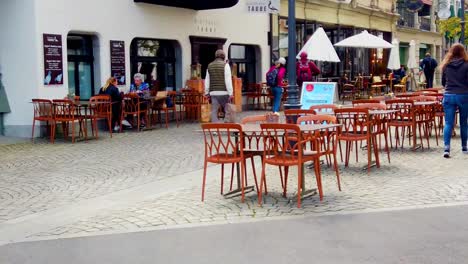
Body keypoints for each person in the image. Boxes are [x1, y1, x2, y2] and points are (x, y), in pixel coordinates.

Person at [440, 43, 468, 158]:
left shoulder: (446, 65)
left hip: (449, 95)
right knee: (464, 123)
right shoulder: (467, 65)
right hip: (463, 95)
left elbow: (443, 82)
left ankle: (446, 149)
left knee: (448, 123)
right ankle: (464, 147)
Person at [204, 49, 233, 123]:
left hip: (213, 93)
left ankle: (215, 129)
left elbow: (207, 80)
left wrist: (207, 93)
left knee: (214, 111)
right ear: (223, 57)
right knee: (228, 109)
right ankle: (228, 126)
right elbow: (228, 80)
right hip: (224, 92)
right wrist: (230, 93)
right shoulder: (226, 65)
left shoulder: (209, 66)